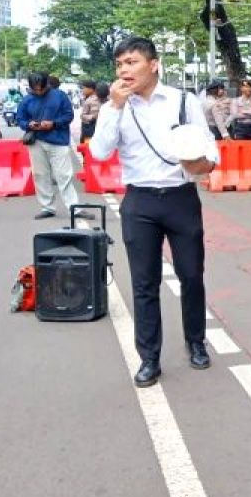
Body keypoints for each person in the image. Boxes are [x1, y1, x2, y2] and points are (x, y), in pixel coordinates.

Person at [89, 36, 220, 387]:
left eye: (131, 62)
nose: (124, 70)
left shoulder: (182, 101)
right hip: (140, 202)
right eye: (119, 65)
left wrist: (202, 162)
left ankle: (195, 341)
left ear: (154, 64)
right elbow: (100, 152)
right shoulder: (115, 107)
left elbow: (209, 146)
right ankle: (149, 358)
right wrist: (113, 108)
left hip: (180, 197)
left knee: (191, 275)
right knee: (145, 283)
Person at [16, 71, 80, 220]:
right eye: (35, 89)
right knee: (40, 175)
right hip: (36, 141)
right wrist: (28, 124)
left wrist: (54, 123)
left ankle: (74, 208)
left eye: (41, 88)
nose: (38, 91)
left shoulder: (60, 96)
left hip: (58, 140)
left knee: (64, 175)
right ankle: (47, 207)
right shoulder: (26, 100)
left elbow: (68, 115)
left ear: (47, 84)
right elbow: (20, 118)